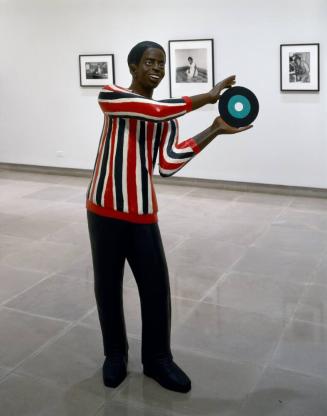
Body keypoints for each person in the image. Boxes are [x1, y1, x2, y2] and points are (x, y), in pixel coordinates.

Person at [86, 40, 252, 394]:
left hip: (142, 212)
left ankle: (157, 360)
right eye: (149, 62)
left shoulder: (166, 116)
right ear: (132, 67)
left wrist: (215, 130)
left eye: (161, 63)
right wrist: (207, 97)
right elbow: (156, 112)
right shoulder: (112, 95)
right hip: (103, 208)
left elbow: (167, 164)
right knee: (107, 286)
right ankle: (115, 354)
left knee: (156, 288)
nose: (157, 68)